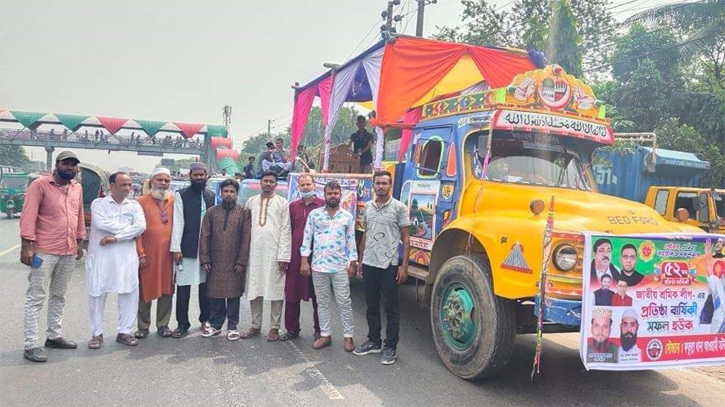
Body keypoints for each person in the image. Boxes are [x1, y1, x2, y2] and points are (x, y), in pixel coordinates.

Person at [19, 151, 86, 362]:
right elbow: (28, 215)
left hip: (67, 250)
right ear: (57, 165)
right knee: (36, 298)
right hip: (44, 251)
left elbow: (79, 216)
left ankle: (54, 336)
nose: (70, 168)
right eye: (66, 163)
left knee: (59, 295)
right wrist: (26, 246)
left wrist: (80, 240)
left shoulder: (77, 188)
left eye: (74, 165)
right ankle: (30, 345)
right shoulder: (40, 185)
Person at [353, 171, 411, 365]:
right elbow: (365, 234)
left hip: (389, 265)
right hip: (369, 263)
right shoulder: (368, 207)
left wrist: (404, 265)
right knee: (371, 305)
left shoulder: (399, 208)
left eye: (384, 183)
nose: (381, 186)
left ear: (390, 185)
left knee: (391, 308)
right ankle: (374, 341)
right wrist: (360, 260)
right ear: (373, 185)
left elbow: (406, 237)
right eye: (378, 183)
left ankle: (390, 347)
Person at [86, 172, 147, 349]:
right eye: (124, 185)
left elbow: (141, 227)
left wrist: (116, 238)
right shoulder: (100, 204)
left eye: (129, 185)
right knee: (97, 293)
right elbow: (101, 224)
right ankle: (97, 333)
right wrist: (128, 230)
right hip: (101, 257)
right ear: (112, 186)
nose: (128, 188)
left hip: (126, 258)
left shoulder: (134, 206)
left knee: (129, 293)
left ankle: (125, 331)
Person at [300, 181, 358, 351]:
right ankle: (325, 335)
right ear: (324, 195)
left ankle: (348, 337)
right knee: (322, 302)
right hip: (318, 265)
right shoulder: (315, 215)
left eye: (336, 193)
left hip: (339, 266)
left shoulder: (347, 216)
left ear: (340, 195)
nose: (333, 196)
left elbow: (350, 240)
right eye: (329, 193)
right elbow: (307, 237)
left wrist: (353, 262)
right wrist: (304, 260)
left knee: (344, 302)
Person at [241, 171, 291, 341]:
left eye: (271, 181)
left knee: (276, 289)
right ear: (260, 183)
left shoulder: (282, 203)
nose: (268, 184)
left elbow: (285, 230)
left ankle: (274, 327)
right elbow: (245, 229)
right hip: (254, 253)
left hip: (274, 253)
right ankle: (255, 325)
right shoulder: (251, 202)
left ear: (276, 185)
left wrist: (284, 256)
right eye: (265, 181)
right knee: (255, 288)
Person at [198, 179, 251, 340]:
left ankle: (233, 326)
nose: (228, 194)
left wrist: (241, 261)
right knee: (214, 293)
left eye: (232, 192)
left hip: (235, 261)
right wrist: (205, 258)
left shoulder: (244, 212)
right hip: (214, 260)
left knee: (233, 295)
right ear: (221, 193)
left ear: (236, 194)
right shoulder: (212, 212)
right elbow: (205, 236)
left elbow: (246, 237)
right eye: (226, 191)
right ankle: (215, 325)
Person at [170, 162, 215, 338]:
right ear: (190, 176)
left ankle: (206, 320)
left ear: (206, 176)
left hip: (206, 250)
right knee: (183, 288)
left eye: (201, 175)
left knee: (206, 288)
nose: (198, 178)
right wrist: (176, 248)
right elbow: (178, 222)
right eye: (195, 175)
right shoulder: (181, 195)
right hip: (186, 248)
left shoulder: (211, 195)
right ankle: (182, 324)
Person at [279, 174, 324, 341]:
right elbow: (286, 230)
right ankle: (292, 329)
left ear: (314, 185)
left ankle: (320, 330)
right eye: (302, 185)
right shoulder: (293, 207)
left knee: (319, 295)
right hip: (296, 256)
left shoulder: (323, 206)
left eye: (308, 184)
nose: (306, 187)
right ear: (299, 187)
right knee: (291, 293)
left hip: (318, 256)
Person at [135, 168, 175, 339]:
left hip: (169, 255)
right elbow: (136, 231)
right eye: (160, 180)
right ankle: (143, 326)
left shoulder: (174, 201)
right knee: (145, 288)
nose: (163, 184)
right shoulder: (140, 201)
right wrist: (140, 253)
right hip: (148, 253)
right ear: (152, 181)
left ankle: (163, 324)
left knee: (167, 289)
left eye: (166, 181)